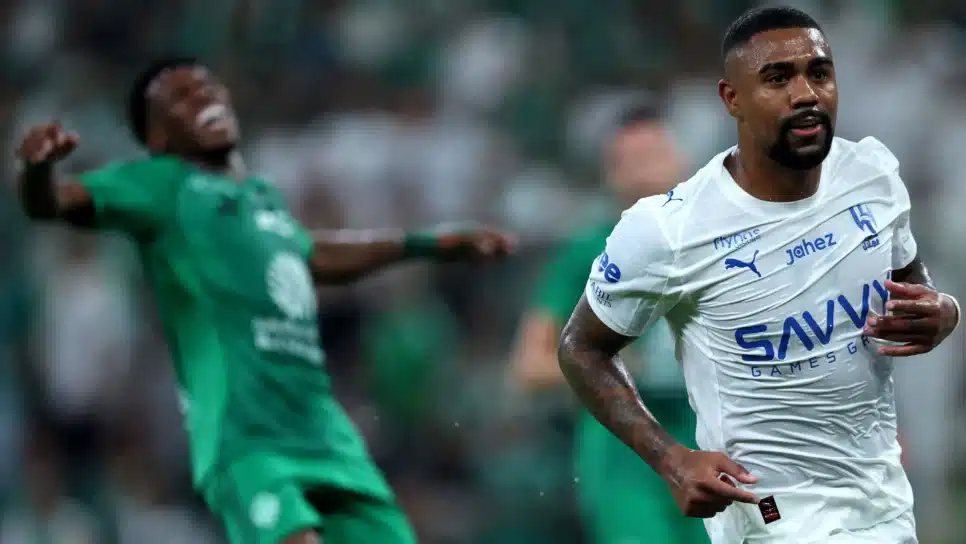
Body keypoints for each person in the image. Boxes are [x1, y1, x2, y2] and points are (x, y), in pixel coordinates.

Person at [14, 58, 516, 544]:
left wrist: (428, 244)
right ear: (159, 138)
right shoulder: (161, 186)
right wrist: (37, 172)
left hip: (324, 434)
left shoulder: (263, 200)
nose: (203, 96)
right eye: (182, 97)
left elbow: (313, 253)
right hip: (247, 439)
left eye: (207, 86)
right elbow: (54, 202)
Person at [556, 7, 960, 544]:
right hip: (770, 514)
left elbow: (912, 279)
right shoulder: (671, 229)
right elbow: (580, 348)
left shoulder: (873, 175)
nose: (805, 94)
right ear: (732, 99)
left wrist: (943, 311)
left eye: (819, 73)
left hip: (881, 502)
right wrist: (670, 458)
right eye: (777, 79)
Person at [511, 101, 708, 543]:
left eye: (654, 156)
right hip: (625, 455)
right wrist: (615, 362)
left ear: (683, 161)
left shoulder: (721, 241)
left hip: (712, 436)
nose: (645, 173)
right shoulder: (587, 252)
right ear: (610, 176)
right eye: (630, 162)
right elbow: (529, 366)